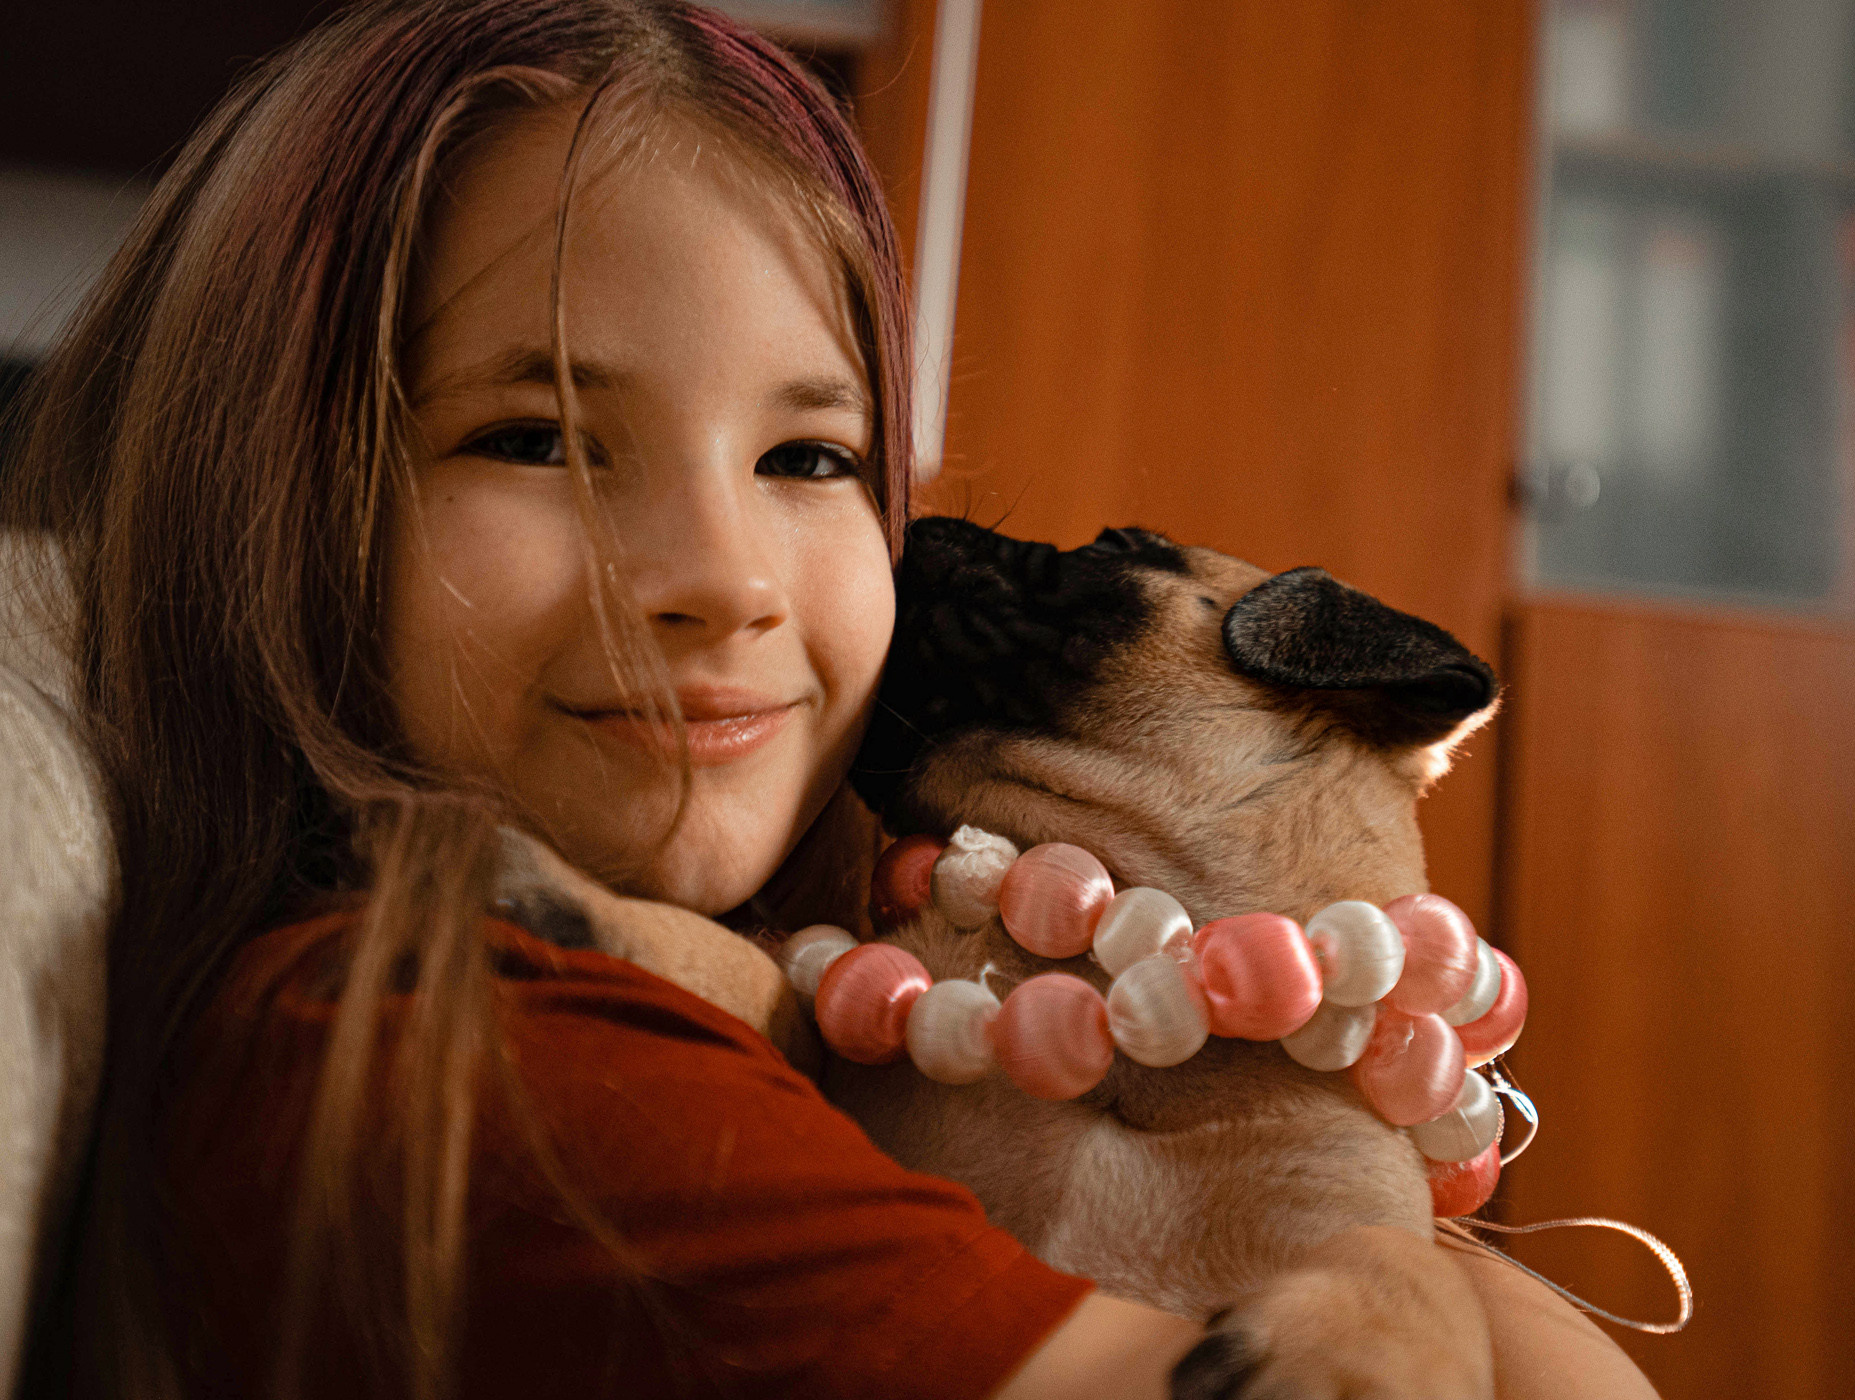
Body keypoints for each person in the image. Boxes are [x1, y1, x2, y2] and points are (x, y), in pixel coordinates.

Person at [7, 3, 1662, 1396]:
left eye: (811, 456)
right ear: (271, 501)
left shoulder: (818, 1005)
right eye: (535, 437)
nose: (724, 578)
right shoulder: (447, 1052)